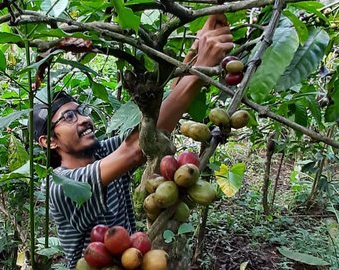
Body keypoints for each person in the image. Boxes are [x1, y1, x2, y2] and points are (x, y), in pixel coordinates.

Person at [33, 14, 233, 269]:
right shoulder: (61, 186)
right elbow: (136, 150)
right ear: (49, 141)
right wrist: (202, 67)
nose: (83, 119)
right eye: (69, 117)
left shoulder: (101, 154)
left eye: (81, 111)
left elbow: (153, 124)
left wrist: (196, 51)